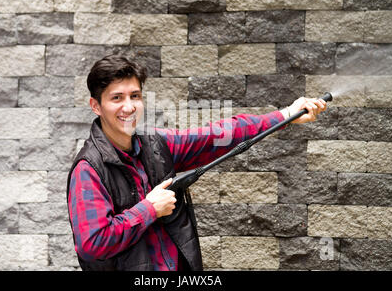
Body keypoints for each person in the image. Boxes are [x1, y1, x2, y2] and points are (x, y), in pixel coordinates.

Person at [66, 54, 327, 271]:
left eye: (135, 96)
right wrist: (149, 209)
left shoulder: (158, 145)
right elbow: (93, 243)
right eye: (116, 98)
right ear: (96, 106)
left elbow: (222, 134)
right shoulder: (89, 169)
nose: (129, 107)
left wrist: (286, 115)